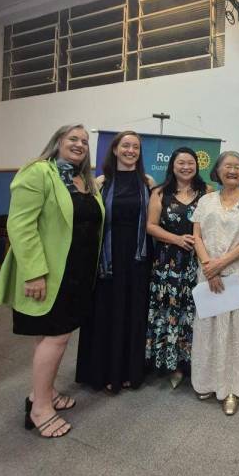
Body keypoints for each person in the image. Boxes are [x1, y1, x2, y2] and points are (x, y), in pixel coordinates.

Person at [0, 124, 104, 438]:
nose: (80, 144)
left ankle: (44, 392)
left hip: (77, 273)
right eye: (73, 138)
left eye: (85, 141)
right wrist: (34, 272)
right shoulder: (38, 172)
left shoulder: (84, 181)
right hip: (49, 274)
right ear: (57, 142)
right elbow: (21, 225)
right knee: (56, 337)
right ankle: (40, 408)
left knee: (53, 338)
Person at [76, 131, 153, 393]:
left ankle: (129, 371)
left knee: (133, 313)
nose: (131, 150)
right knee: (106, 313)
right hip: (107, 259)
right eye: (126, 145)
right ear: (115, 149)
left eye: (136, 147)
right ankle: (104, 372)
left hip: (138, 258)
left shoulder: (148, 182)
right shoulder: (100, 182)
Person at [191, 151, 239, 415]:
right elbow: (197, 236)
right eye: (227, 166)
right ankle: (208, 382)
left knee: (235, 333)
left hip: (237, 277)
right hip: (208, 275)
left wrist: (220, 265)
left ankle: (232, 389)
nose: (232, 170)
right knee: (209, 330)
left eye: (237, 167)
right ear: (218, 171)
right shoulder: (206, 200)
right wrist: (209, 268)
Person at [145, 147, 210, 387]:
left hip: (197, 263)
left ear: (196, 166)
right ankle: (169, 363)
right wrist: (177, 239)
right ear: (172, 166)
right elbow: (151, 226)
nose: (186, 167)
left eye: (190, 163)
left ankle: (192, 363)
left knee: (194, 313)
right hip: (167, 264)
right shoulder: (160, 193)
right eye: (181, 163)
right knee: (169, 312)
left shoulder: (207, 192)